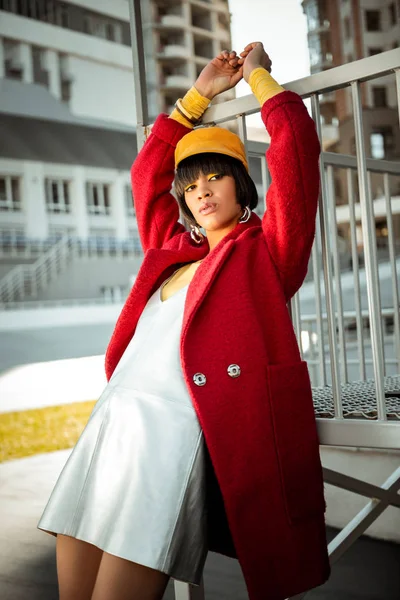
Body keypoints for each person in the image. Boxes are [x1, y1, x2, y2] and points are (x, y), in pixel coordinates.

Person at [38, 42, 330, 600]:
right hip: (112, 424)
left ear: (241, 186)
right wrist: (198, 95)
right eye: (190, 185)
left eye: (215, 177)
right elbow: (147, 171)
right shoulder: (172, 249)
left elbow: (295, 150)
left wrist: (259, 81)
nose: (201, 192)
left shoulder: (267, 254)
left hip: (171, 437)